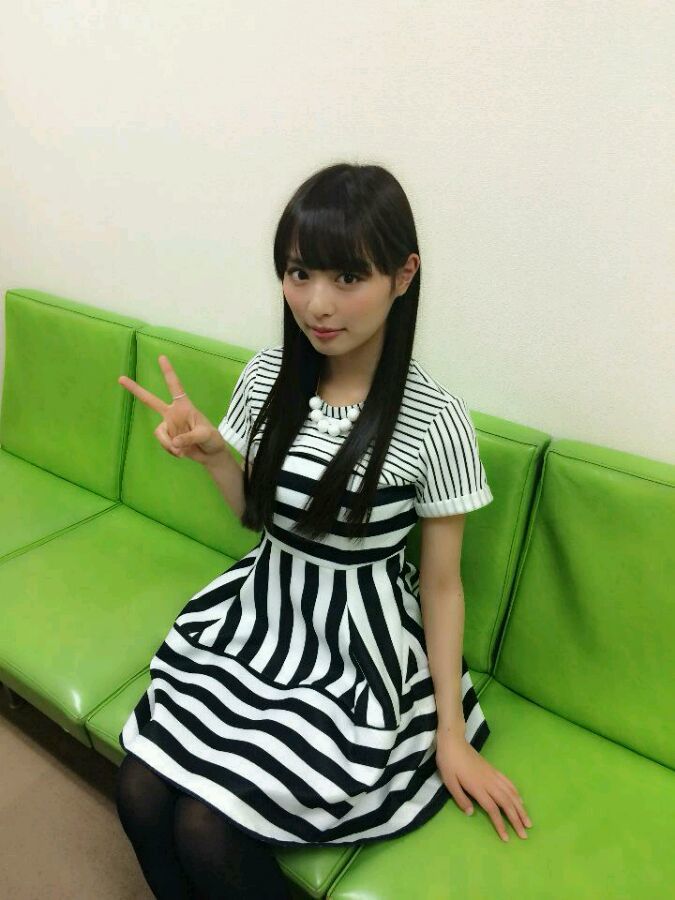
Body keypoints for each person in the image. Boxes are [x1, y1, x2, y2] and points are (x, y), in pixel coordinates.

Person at [115, 162, 533, 899]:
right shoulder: (267, 377)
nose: (316, 303)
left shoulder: (436, 420)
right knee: (139, 790)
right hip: (260, 619)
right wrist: (214, 456)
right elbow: (260, 520)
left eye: (348, 277)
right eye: (299, 272)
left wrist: (450, 735)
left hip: (356, 654)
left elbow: (442, 586)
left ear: (404, 276)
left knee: (206, 831)